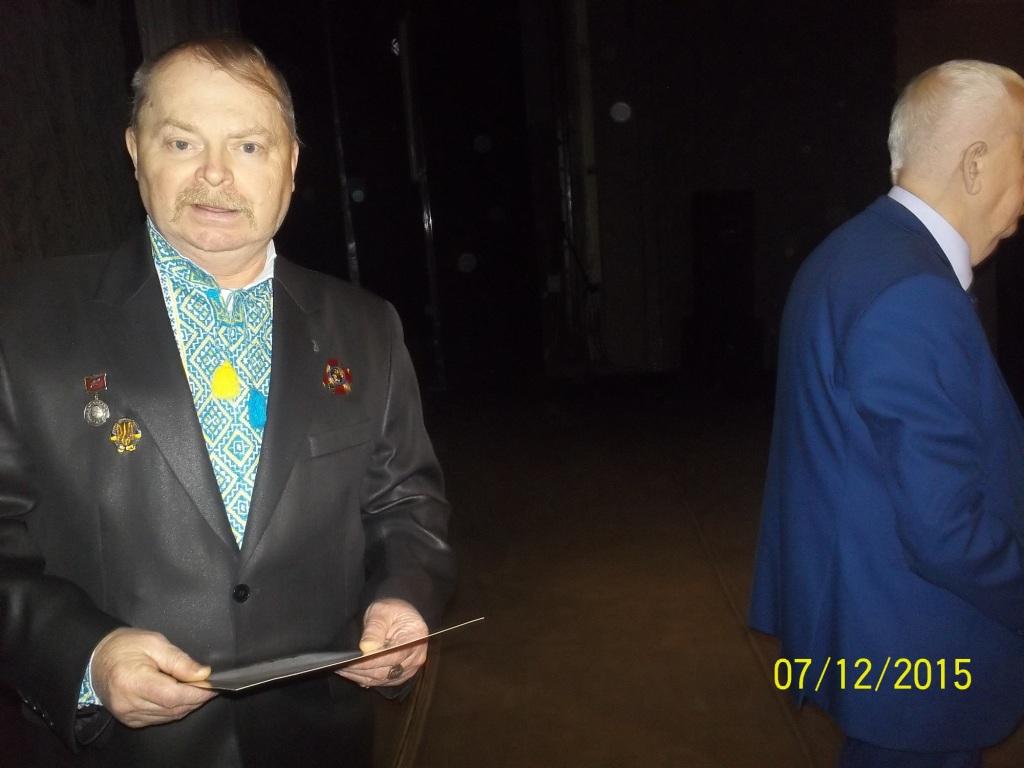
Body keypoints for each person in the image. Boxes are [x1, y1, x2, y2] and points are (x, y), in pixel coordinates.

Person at [0, 36, 455, 767]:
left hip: (318, 742)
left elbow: (406, 504)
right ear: (135, 151)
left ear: (292, 163)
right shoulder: (23, 321)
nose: (215, 173)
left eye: (248, 145)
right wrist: (87, 655)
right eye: (182, 142)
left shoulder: (366, 328)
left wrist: (403, 597)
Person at [750, 59, 1024, 768]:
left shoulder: (848, 253)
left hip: (857, 614)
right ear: (975, 163)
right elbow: (944, 526)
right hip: (915, 644)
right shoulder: (913, 291)